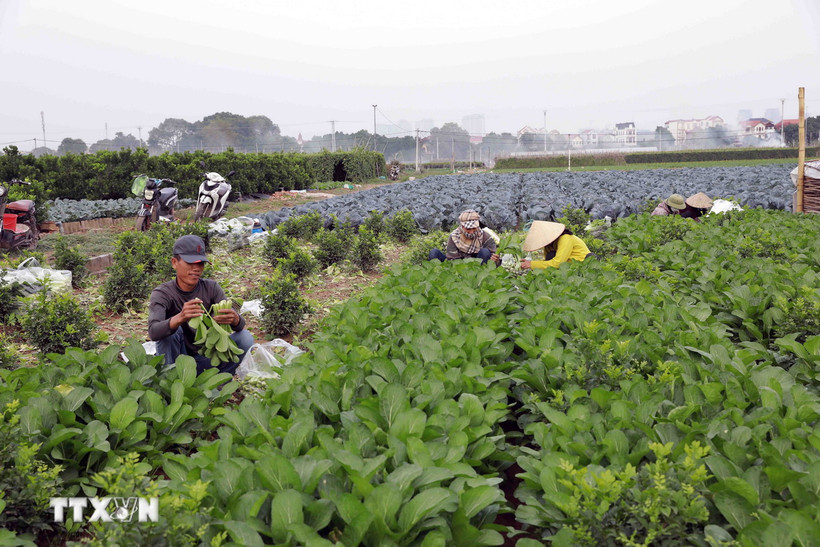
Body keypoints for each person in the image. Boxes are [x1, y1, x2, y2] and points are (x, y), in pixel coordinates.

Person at [148, 234, 254, 375]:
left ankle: (219, 381)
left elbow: (239, 326)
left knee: (245, 338)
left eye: (200, 263)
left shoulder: (211, 288)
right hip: (179, 360)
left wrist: (235, 319)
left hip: (207, 356)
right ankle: (171, 381)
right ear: (174, 262)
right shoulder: (162, 293)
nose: (196, 268)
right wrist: (180, 318)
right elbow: (154, 332)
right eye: (190, 263)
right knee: (171, 333)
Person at [429, 209, 500, 265]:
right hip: (458, 265)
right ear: (462, 226)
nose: (471, 232)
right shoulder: (454, 237)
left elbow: (494, 259)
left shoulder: (485, 236)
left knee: (485, 252)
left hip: (478, 266)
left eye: (474, 228)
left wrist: (495, 260)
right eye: (468, 229)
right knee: (434, 253)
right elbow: (452, 259)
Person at [520, 221, 592, 269]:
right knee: (550, 255)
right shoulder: (549, 244)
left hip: (582, 265)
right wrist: (529, 263)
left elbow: (558, 263)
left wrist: (532, 264)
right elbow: (547, 262)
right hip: (568, 267)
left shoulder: (565, 238)